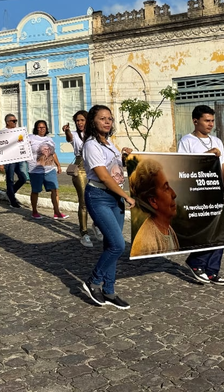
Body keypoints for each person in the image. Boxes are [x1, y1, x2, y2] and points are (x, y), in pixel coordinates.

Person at [79, 105, 134, 310]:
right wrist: (126, 196)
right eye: (102, 118)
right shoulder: (91, 145)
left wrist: (125, 158)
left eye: (110, 118)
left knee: (111, 244)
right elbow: (103, 176)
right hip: (99, 196)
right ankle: (93, 282)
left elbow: (115, 169)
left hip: (115, 197)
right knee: (118, 244)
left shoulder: (109, 143)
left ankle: (109, 290)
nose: (107, 121)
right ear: (93, 121)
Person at [177, 105, 224, 286]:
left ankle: (212, 270)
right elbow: (184, 167)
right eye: (206, 120)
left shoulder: (217, 141)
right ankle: (196, 262)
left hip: (215, 190)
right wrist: (208, 155)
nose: (210, 124)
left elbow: (223, 166)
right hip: (197, 192)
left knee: (218, 231)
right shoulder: (186, 141)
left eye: (212, 121)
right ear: (196, 121)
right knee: (203, 231)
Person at [129, 158, 180, 257]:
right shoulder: (146, 243)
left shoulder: (168, 229)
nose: (174, 194)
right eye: (166, 188)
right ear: (153, 201)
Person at [64, 110, 98, 247]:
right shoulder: (74, 135)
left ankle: (96, 225)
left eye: (82, 120)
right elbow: (69, 138)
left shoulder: (94, 134)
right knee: (83, 202)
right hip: (81, 168)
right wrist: (66, 131)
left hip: (94, 167)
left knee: (97, 200)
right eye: (77, 120)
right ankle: (84, 233)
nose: (79, 123)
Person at [27, 120, 67, 220]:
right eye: (39, 127)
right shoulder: (30, 138)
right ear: (36, 128)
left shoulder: (50, 140)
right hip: (35, 169)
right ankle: (34, 211)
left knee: (55, 190)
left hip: (49, 169)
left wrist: (58, 165)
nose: (41, 129)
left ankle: (57, 212)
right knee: (36, 191)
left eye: (43, 127)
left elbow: (53, 153)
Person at [0, 114, 27, 209]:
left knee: (23, 178)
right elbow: (0, 148)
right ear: (8, 122)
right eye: (13, 121)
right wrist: (1, 163)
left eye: (16, 121)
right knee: (10, 179)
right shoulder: (2, 133)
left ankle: (10, 193)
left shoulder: (18, 131)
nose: (15, 123)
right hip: (8, 159)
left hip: (18, 158)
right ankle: (12, 200)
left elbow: (21, 142)